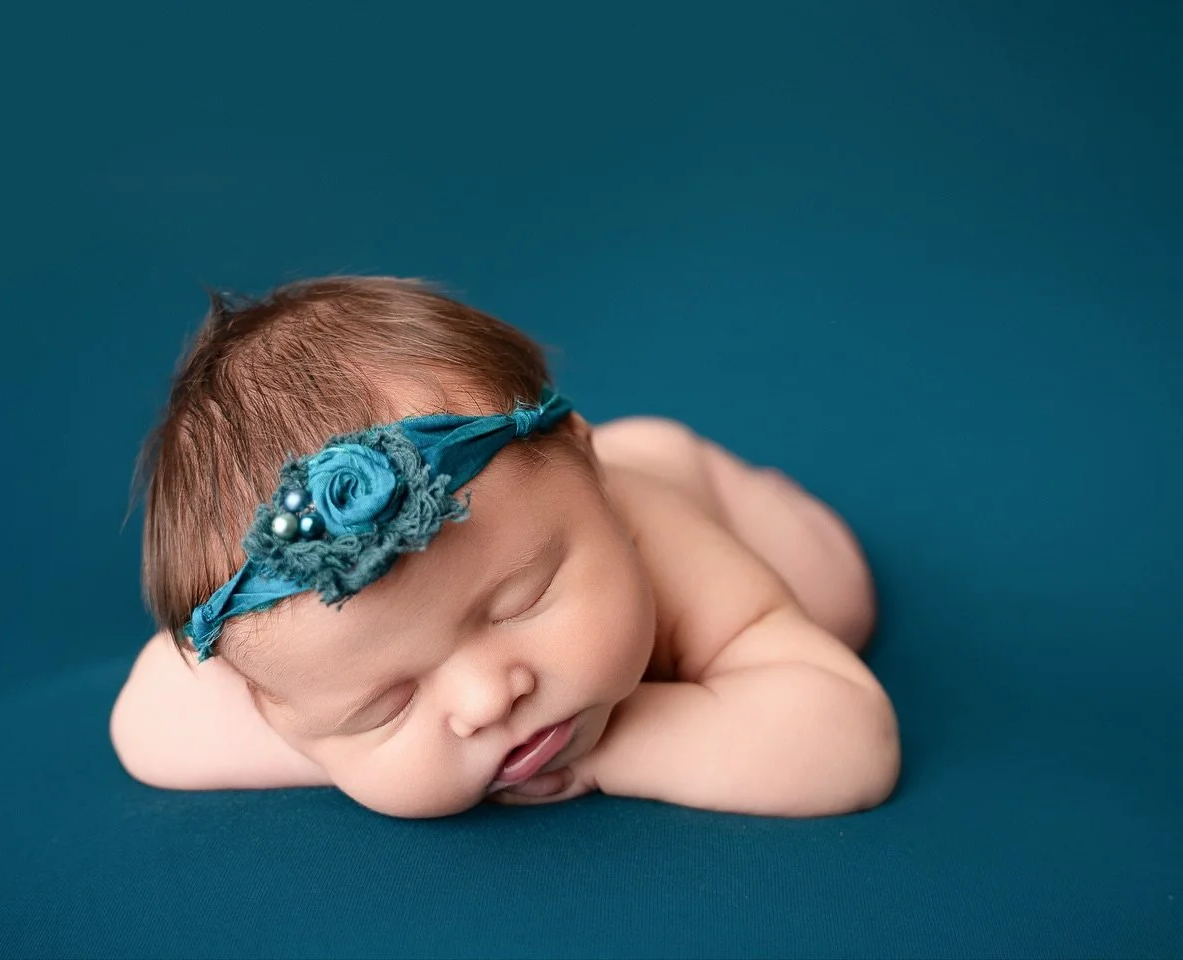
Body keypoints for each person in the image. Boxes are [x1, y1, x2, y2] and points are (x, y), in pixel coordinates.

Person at [110, 276, 898, 819]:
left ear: (592, 480)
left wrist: (608, 752)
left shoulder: (665, 543)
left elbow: (849, 740)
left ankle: (682, 469)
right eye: (387, 703)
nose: (488, 703)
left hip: (696, 490)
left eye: (523, 602)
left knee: (836, 596)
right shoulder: (288, 673)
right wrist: (356, 755)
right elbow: (145, 722)